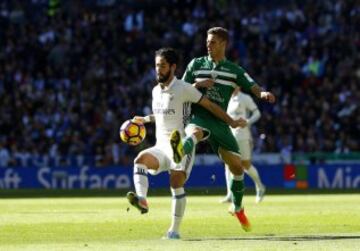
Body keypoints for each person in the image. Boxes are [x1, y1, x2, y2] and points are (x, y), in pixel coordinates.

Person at [126, 47, 245, 239]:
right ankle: (142, 199)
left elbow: (210, 106)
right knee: (140, 160)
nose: (158, 69)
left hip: (182, 142)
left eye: (162, 66)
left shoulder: (184, 88)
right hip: (161, 145)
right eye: (157, 65)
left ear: (173, 67)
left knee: (175, 183)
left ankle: (174, 231)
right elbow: (162, 114)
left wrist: (231, 121)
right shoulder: (155, 91)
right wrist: (146, 120)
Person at [170, 27, 275, 231]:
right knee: (195, 132)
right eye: (207, 42)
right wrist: (198, 83)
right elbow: (179, 89)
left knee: (237, 167)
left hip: (220, 122)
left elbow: (252, 85)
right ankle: (180, 148)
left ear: (224, 44)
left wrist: (262, 94)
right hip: (198, 115)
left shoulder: (234, 70)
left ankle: (237, 207)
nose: (208, 45)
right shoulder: (196, 64)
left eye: (213, 42)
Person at [220, 87, 266, 204]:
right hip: (229, 136)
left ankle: (260, 187)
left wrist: (248, 122)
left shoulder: (245, 98)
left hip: (243, 136)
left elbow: (257, 113)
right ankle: (230, 194)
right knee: (227, 164)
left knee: (245, 165)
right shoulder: (226, 99)